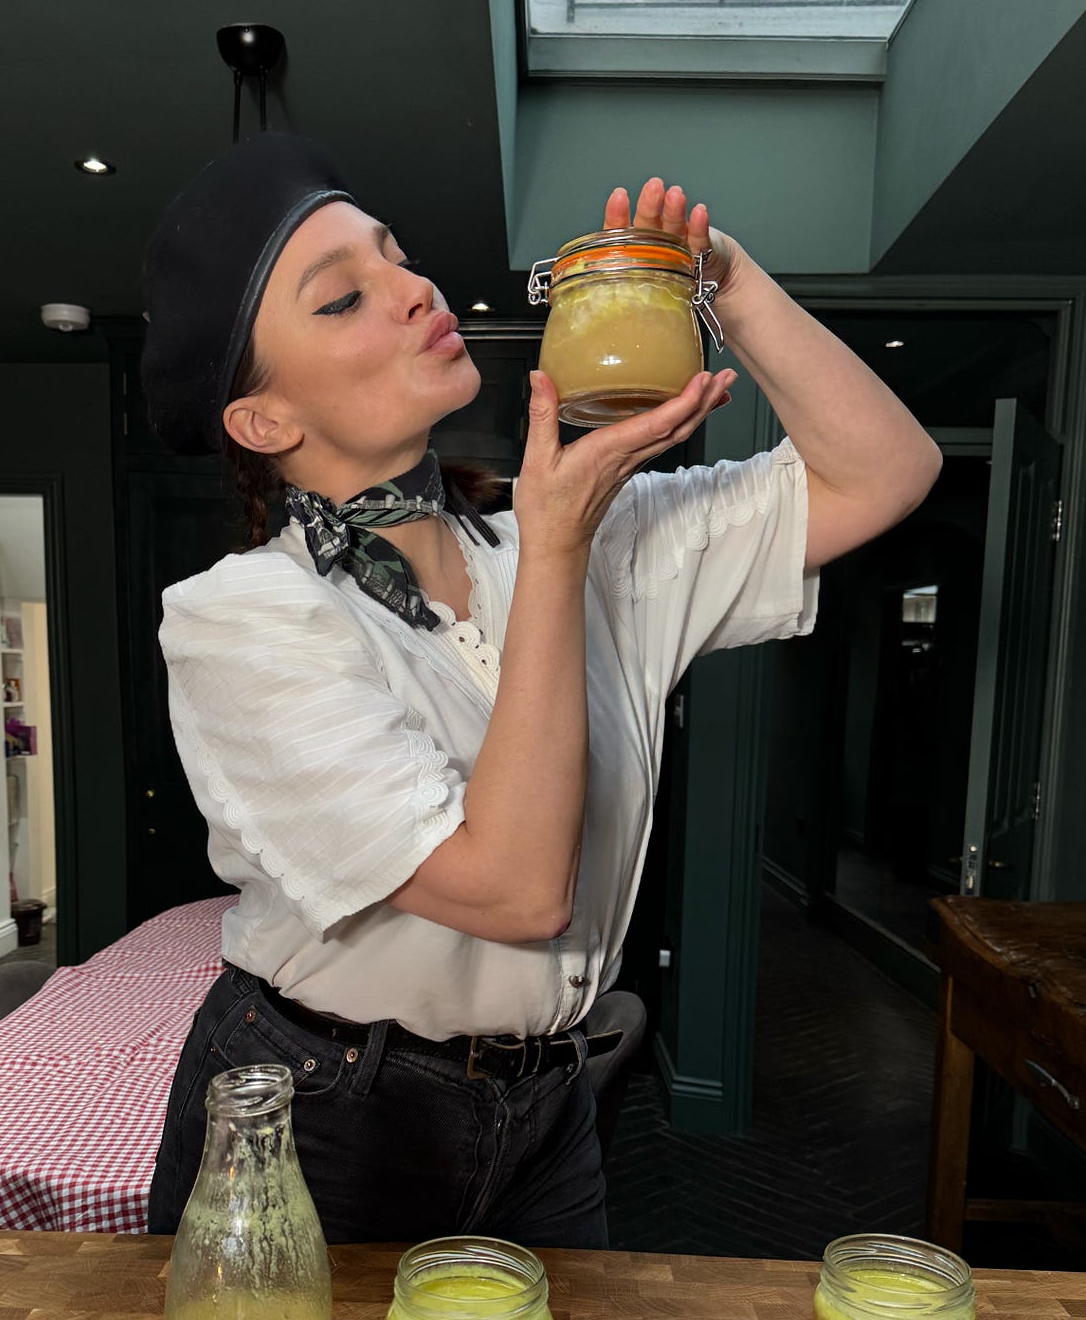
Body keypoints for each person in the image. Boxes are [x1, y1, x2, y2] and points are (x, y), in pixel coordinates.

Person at [139, 133, 940, 1244]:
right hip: (329, 1114)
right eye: (344, 298)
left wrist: (722, 280)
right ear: (266, 422)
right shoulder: (242, 617)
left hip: (550, 1104)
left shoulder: (582, 536)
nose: (413, 288)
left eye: (396, 256)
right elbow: (515, 891)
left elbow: (889, 471)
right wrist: (559, 547)